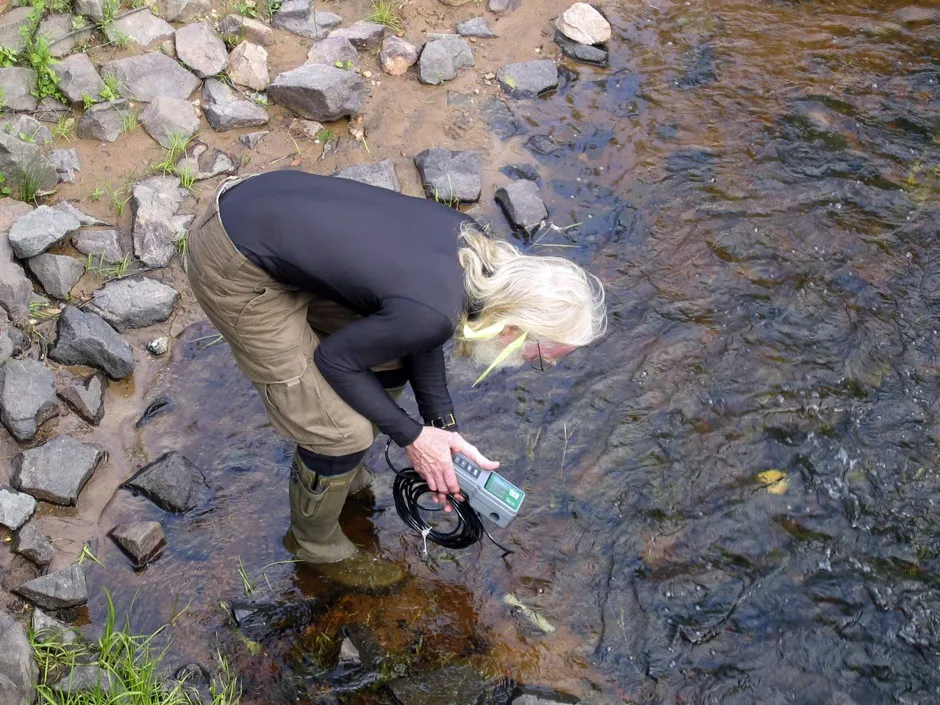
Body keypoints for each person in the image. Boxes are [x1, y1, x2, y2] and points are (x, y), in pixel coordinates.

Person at [183, 169, 607, 588]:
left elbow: (420, 335)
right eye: (540, 358)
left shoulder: (474, 249)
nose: (542, 365)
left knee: (389, 362)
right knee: (340, 435)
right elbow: (336, 359)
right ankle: (314, 545)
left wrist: (443, 431)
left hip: (260, 202)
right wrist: (414, 439)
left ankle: (341, 477)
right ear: (514, 329)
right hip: (231, 260)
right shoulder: (434, 310)